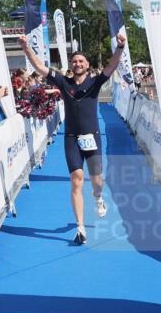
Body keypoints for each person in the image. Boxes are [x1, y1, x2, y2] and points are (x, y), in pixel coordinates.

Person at [18, 32, 127, 245]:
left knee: (96, 181)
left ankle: (98, 197)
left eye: (81, 61)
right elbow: (40, 68)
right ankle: (80, 228)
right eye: (74, 61)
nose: (77, 64)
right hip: (71, 138)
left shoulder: (95, 82)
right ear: (71, 65)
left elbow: (112, 66)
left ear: (87, 65)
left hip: (92, 137)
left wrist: (120, 48)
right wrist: (26, 48)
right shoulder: (63, 82)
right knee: (76, 180)